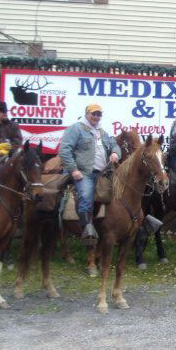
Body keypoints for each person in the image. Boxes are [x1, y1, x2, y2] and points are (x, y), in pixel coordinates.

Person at [57, 104, 121, 246]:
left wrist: (116, 153)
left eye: (99, 114)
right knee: (86, 196)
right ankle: (88, 230)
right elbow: (64, 150)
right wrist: (73, 169)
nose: (96, 117)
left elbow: (114, 144)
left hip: (103, 173)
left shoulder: (102, 132)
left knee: (121, 192)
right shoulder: (76, 128)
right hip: (84, 173)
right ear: (87, 114)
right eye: (93, 114)